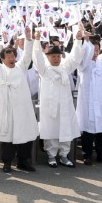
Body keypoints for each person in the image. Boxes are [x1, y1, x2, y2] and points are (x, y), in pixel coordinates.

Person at [0, 31, 37, 173]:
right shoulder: (0, 69)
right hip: (6, 108)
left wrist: (28, 39)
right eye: (8, 57)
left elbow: (27, 55)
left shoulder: (21, 67)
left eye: (13, 56)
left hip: (22, 108)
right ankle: (7, 162)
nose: (11, 59)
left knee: (25, 135)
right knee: (7, 137)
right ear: (2, 59)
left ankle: (23, 162)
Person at [32, 34, 84, 168]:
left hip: (65, 106)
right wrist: (37, 41)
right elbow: (37, 59)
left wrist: (78, 40)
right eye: (53, 56)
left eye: (58, 56)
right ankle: (51, 156)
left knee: (65, 130)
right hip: (50, 108)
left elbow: (75, 59)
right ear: (48, 57)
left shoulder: (65, 69)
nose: (56, 59)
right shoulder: (44, 70)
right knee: (51, 131)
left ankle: (64, 155)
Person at [75, 34, 102, 166]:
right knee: (88, 130)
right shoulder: (83, 64)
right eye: (93, 50)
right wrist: (86, 43)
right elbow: (85, 57)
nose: (95, 53)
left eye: (97, 50)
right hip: (88, 102)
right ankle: (86, 155)